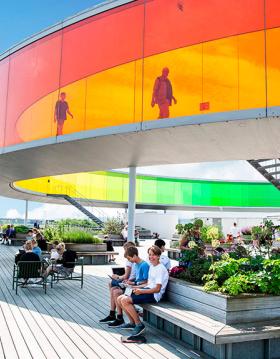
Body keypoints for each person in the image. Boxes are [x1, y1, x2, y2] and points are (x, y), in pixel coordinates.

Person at [117, 245, 169, 337]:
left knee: (125, 300)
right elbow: (147, 284)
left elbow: (157, 289)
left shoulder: (160, 269)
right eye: (149, 255)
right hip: (148, 290)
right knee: (120, 298)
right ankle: (132, 323)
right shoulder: (152, 267)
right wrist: (134, 287)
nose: (151, 257)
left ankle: (139, 324)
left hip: (154, 295)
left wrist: (141, 291)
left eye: (153, 255)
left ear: (158, 256)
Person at [108, 246, 150, 328]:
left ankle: (134, 322)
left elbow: (146, 281)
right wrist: (128, 282)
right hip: (134, 286)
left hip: (141, 288)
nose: (129, 260)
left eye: (129, 258)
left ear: (134, 256)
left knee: (119, 296)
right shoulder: (136, 264)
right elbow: (138, 278)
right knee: (117, 294)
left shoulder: (144, 265)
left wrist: (133, 283)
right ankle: (131, 322)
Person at [99, 241, 137, 324]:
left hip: (131, 285)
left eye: (125, 250)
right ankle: (113, 314)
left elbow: (126, 276)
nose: (125, 253)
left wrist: (117, 277)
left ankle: (118, 316)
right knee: (112, 287)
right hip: (130, 283)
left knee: (114, 290)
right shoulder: (133, 260)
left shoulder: (130, 261)